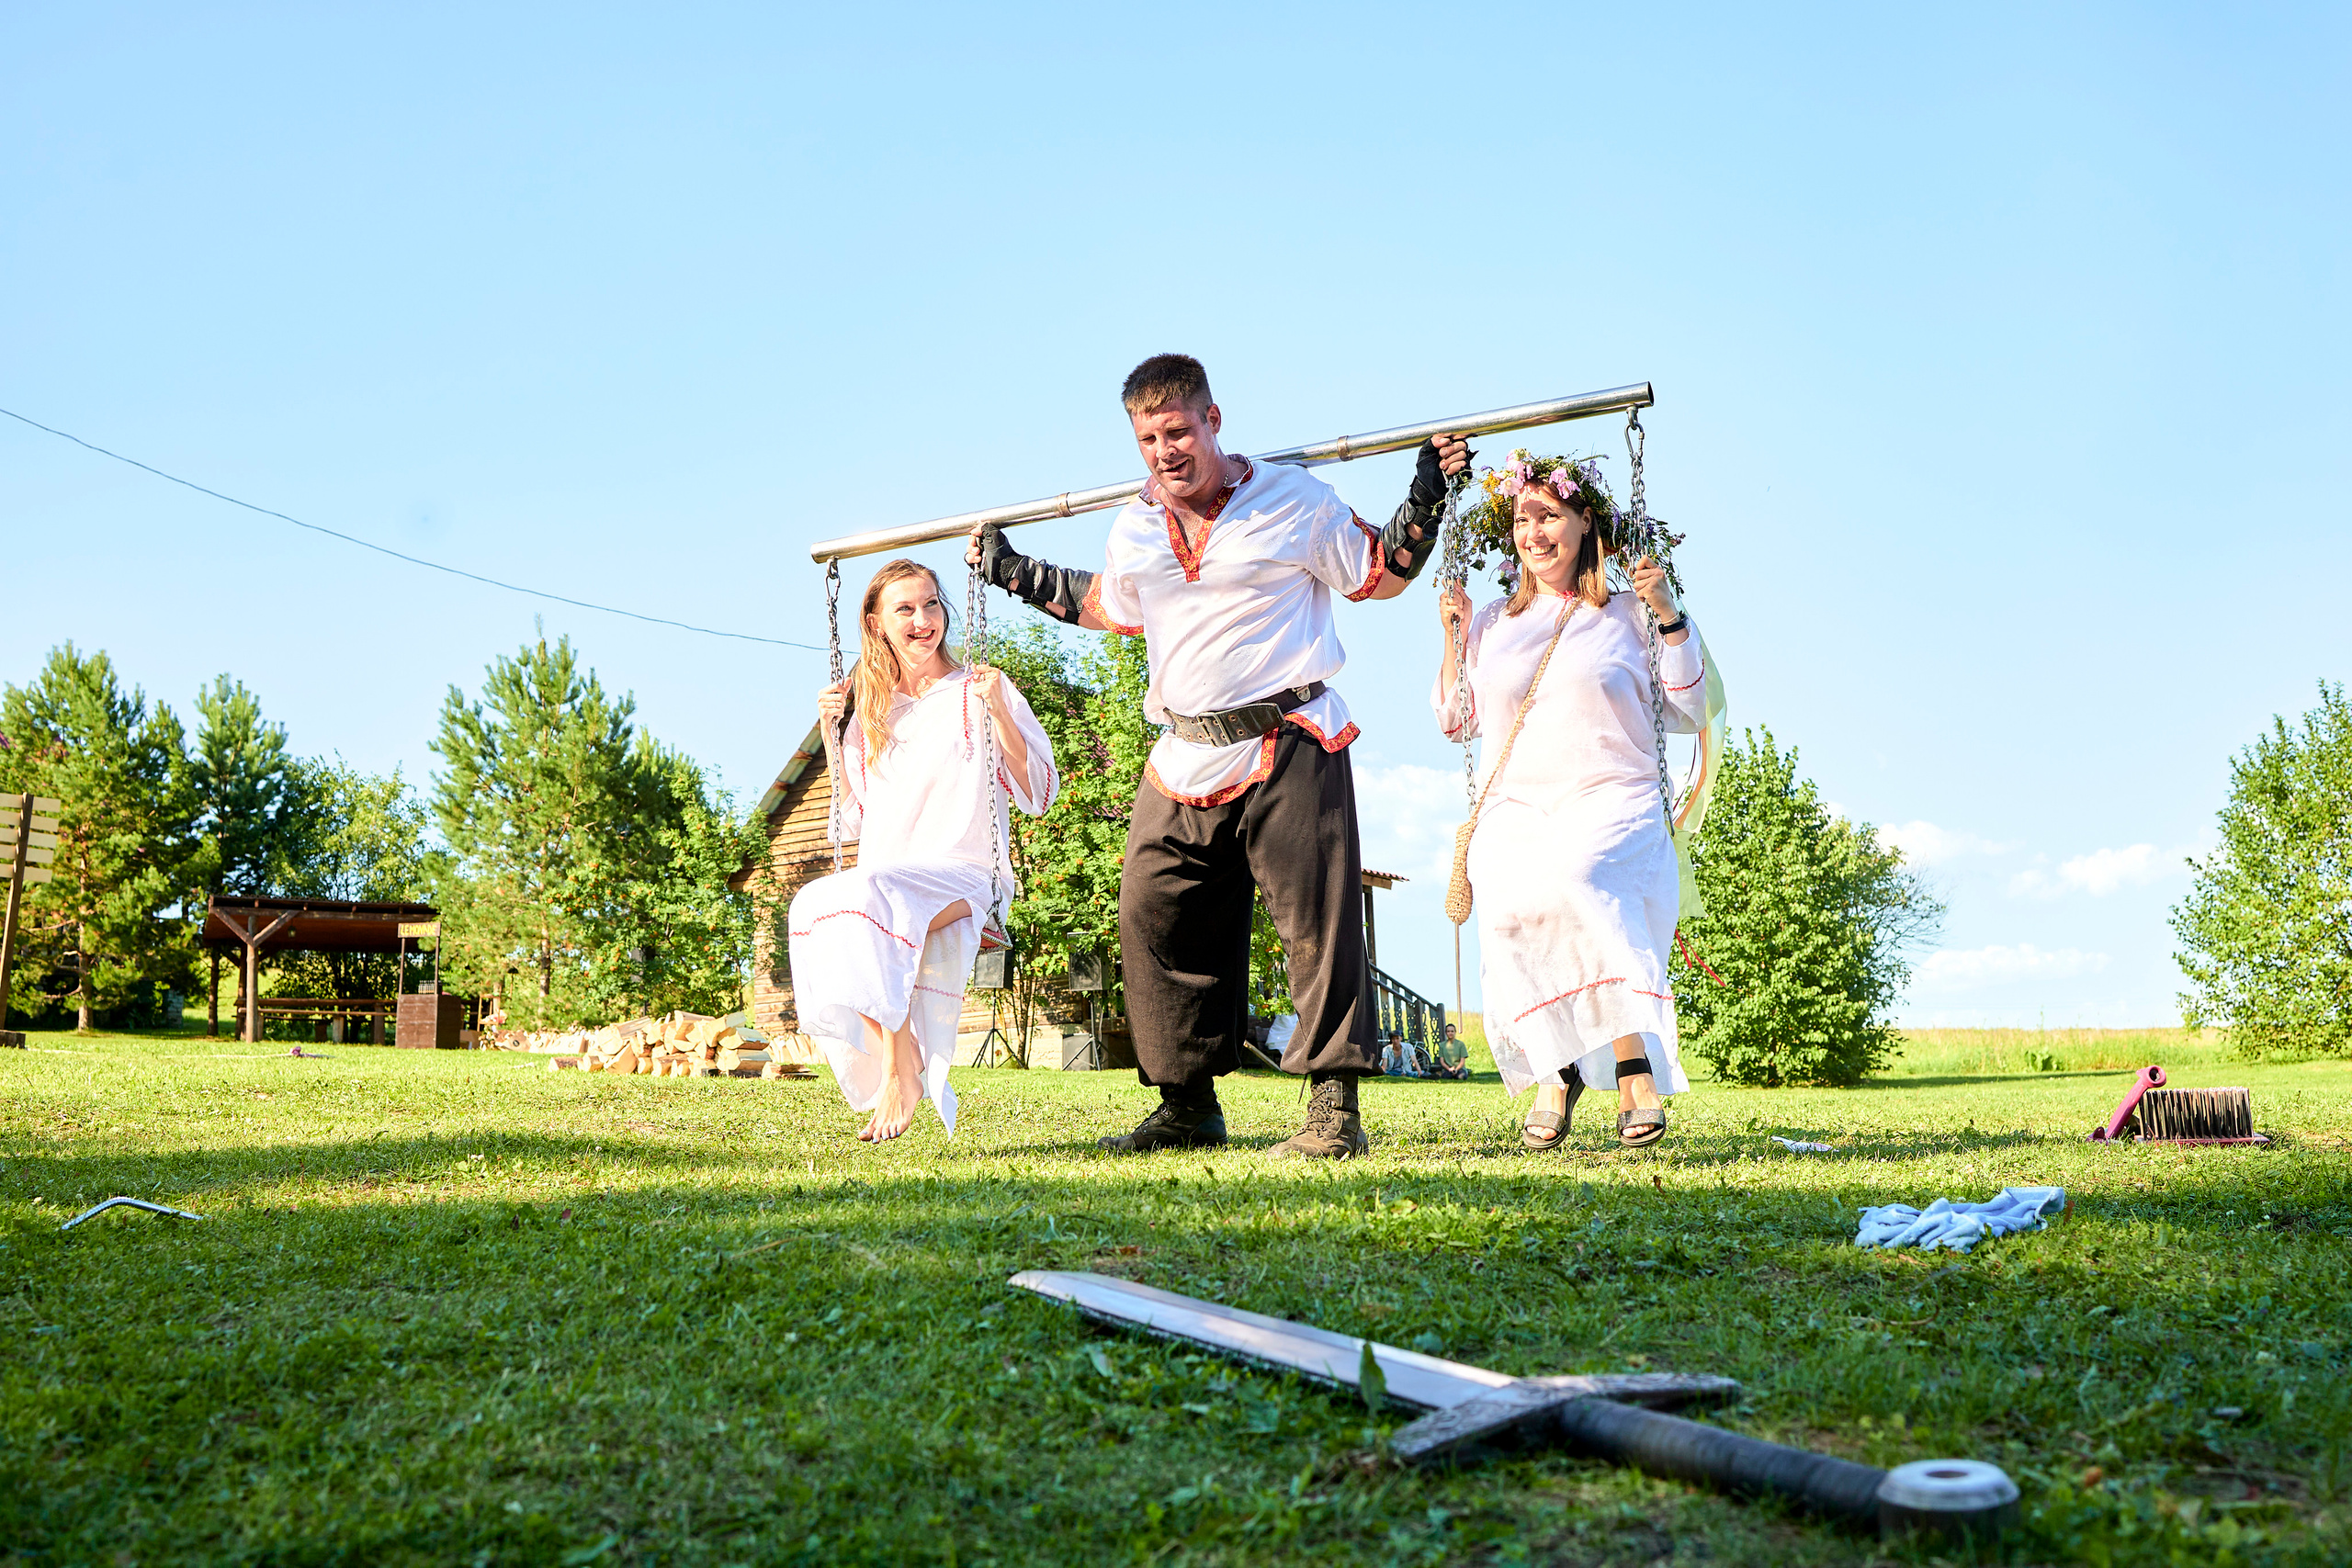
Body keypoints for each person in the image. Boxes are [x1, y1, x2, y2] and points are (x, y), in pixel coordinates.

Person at [970, 354, 1467, 1157]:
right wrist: (1013, 571)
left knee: (1318, 921)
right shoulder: (1135, 525)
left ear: (1213, 421)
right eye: (1147, 439)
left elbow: (1378, 572)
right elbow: (1105, 604)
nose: (1165, 451)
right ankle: (1187, 1105)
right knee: (1153, 911)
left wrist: (1426, 496)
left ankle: (1333, 1113)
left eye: (1177, 431)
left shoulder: (1294, 499)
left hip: (1290, 735)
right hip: (1183, 749)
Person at [1432, 453, 1719, 1148]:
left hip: (1611, 795)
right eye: (1522, 519)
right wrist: (1452, 635)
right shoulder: (1496, 620)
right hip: (1519, 804)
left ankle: (1631, 1066)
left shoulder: (1628, 613)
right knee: (1507, 902)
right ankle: (1554, 1067)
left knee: (1577, 878)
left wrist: (1669, 613)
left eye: (1549, 515)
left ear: (1583, 521)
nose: (1535, 533)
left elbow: (1691, 705)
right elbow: (1456, 720)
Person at [788, 559, 1060, 1142]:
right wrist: (834, 733)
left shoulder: (979, 689)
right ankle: (906, 1054)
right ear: (876, 622)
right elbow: (853, 813)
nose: (922, 620)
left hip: (966, 875)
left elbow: (1037, 793)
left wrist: (999, 715)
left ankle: (896, 1071)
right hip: (888, 875)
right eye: (905, 609)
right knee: (811, 906)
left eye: (931, 604)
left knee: (868, 897)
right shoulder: (871, 708)